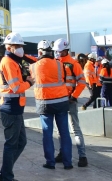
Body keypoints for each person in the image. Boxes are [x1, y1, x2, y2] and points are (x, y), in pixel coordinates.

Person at [0, 32, 34, 181]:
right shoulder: (8, 62)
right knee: (12, 144)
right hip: (11, 108)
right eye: (17, 46)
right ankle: (6, 176)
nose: (20, 49)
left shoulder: (14, 61)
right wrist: (30, 82)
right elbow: (16, 87)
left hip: (15, 108)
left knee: (20, 142)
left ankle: (4, 173)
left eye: (21, 46)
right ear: (9, 47)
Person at [31, 40, 73, 170]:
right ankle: (68, 163)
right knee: (64, 133)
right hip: (61, 101)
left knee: (47, 134)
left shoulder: (34, 66)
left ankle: (50, 162)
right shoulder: (60, 64)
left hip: (44, 103)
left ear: (39, 52)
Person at [52, 38, 88, 167]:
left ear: (65, 50)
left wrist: (74, 96)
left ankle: (82, 156)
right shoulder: (54, 63)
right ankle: (63, 153)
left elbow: (82, 82)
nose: (56, 53)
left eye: (59, 51)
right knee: (60, 130)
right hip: (59, 100)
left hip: (70, 100)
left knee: (75, 128)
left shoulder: (73, 64)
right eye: (55, 51)